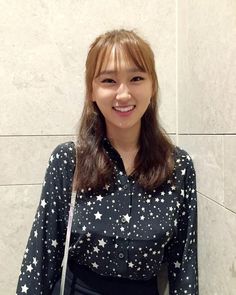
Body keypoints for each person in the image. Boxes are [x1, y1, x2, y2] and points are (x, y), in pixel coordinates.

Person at [16, 29, 198, 295]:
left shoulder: (178, 166)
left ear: (153, 85)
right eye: (109, 81)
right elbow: (40, 262)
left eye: (136, 78)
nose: (123, 94)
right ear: (92, 89)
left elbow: (185, 269)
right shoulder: (69, 161)